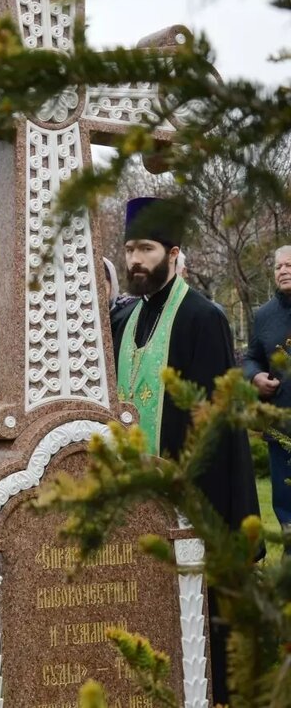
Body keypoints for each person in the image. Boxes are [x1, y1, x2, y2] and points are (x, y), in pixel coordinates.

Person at [111, 196, 260, 707]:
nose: (136, 260)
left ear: (173, 253)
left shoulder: (203, 317)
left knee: (202, 626)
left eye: (147, 249)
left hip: (193, 499)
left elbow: (219, 427)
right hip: (130, 501)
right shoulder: (123, 318)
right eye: (130, 249)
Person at [244, 244, 291, 531]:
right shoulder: (264, 315)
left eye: (289, 265)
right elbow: (251, 358)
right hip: (280, 425)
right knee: (286, 504)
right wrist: (254, 377)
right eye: (278, 267)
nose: (283, 270)